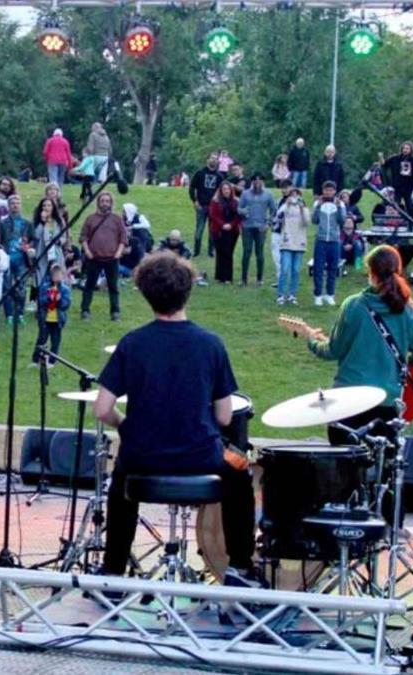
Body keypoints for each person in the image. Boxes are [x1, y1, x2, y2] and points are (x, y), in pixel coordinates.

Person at [94, 252, 260, 587]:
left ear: (145, 293)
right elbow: (226, 416)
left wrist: (125, 425)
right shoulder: (211, 344)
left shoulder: (132, 343)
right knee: (241, 473)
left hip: (143, 457)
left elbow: (101, 409)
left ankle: (112, 571)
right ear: (188, 291)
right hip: (201, 455)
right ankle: (240, 568)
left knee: (119, 480)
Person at [305, 245, 413, 446]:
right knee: (382, 470)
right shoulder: (410, 310)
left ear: (370, 272)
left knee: (345, 471)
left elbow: (333, 350)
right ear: (399, 270)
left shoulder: (354, 305)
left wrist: (311, 340)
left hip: (347, 402)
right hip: (387, 404)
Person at [78, 191, 127, 321]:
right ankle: (85, 310)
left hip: (112, 258)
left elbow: (123, 238)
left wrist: (118, 253)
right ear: (98, 202)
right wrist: (87, 252)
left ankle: (115, 311)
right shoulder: (90, 219)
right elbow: (83, 237)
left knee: (113, 287)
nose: (105, 203)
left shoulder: (117, 219)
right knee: (89, 285)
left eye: (107, 201)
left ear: (111, 203)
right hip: (94, 258)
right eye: (102, 201)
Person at [0, 195, 34, 325]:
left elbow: (33, 240)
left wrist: (28, 246)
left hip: (22, 260)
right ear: (8, 206)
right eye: (12, 203)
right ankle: (8, 314)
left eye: (17, 203)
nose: (15, 205)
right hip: (7, 258)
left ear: (20, 205)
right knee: (7, 286)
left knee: (21, 287)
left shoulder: (27, 223)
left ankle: (19, 314)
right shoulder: (2, 223)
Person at [239, 173, 276, 286]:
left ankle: (259, 279)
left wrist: (268, 223)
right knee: (246, 252)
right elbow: (239, 208)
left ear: (262, 182)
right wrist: (243, 211)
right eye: (255, 181)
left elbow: (274, 210)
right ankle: (243, 279)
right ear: (252, 182)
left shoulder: (268, 194)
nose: (257, 183)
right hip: (247, 226)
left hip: (261, 227)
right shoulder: (245, 194)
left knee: (259, 253)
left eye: (260, 181)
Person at [311, 181, 344, 305]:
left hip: (334, 240)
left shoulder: (339, 204)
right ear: (323, 190)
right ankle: (318, 294)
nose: (328, 192)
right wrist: (318, 207)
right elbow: (314, 220)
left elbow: (342, 221)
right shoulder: (318, 203)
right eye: (326, 190)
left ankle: (330, 294)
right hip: (321, 239)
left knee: (332, 268)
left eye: (331, 190)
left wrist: (339, 207)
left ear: (335, 191)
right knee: (318, 268)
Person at [31, 263, 70, 368]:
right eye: (54, 275)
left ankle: (52, 361)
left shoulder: (65, 289)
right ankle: (36, 360)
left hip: (57, 320)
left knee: (55, 341)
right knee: (41, 339)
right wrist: (49, 298)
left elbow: (66, 305)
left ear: (63, 276)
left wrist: (60, 300)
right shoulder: (45, 287)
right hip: (45, 318)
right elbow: (40, 301)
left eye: (59, 275)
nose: (56, 277)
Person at [276, 187, 310, 306]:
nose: (294, 196)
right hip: (287, 241)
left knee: (295, 270)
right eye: (292, 194)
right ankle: (281, 295)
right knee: (285, 269)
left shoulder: (304, 208)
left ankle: (292, 294)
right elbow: (278, 217)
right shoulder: (285, 206)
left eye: (297, 194)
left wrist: (302, 208)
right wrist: (287, 205)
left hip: (299, 242)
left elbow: (307, 222)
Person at [189, 154, 224, 257]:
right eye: (212, 158)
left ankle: (211, 251)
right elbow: (192, 187)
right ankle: (196, 251)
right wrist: (195, 201)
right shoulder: (200, 173)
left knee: (212, 230)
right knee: (199, 229)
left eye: (216, 159)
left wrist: (218, 203)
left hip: (213, 207)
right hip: (201, 205)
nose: (214, 160)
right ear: (207, 160)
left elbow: (221, 190)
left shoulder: (219, 176)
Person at [208, 182, 242, 284]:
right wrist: (222, 224)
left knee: (228, 253)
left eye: (228, 189)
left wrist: (231, 225)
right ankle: (219, 276)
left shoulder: (236, 201)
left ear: (231, 190)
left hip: (232, 231)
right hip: (218, 230)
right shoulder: (215, 201)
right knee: (220, 252)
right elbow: (213, 215)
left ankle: (228, 277)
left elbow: (239, 216)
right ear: (221, 190)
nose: (226, 191)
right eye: (224, 189)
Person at [381, 142, 413, 217]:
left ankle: (411, 221)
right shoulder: (395, 158)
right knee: (395, 205)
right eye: (404, 148)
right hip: (397, 187)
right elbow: (385, 164)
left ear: (411, 150)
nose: (405, 150)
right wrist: (381, 159)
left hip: (408, 187)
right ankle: (395, 219)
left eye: (407, 148)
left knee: (410, 206)